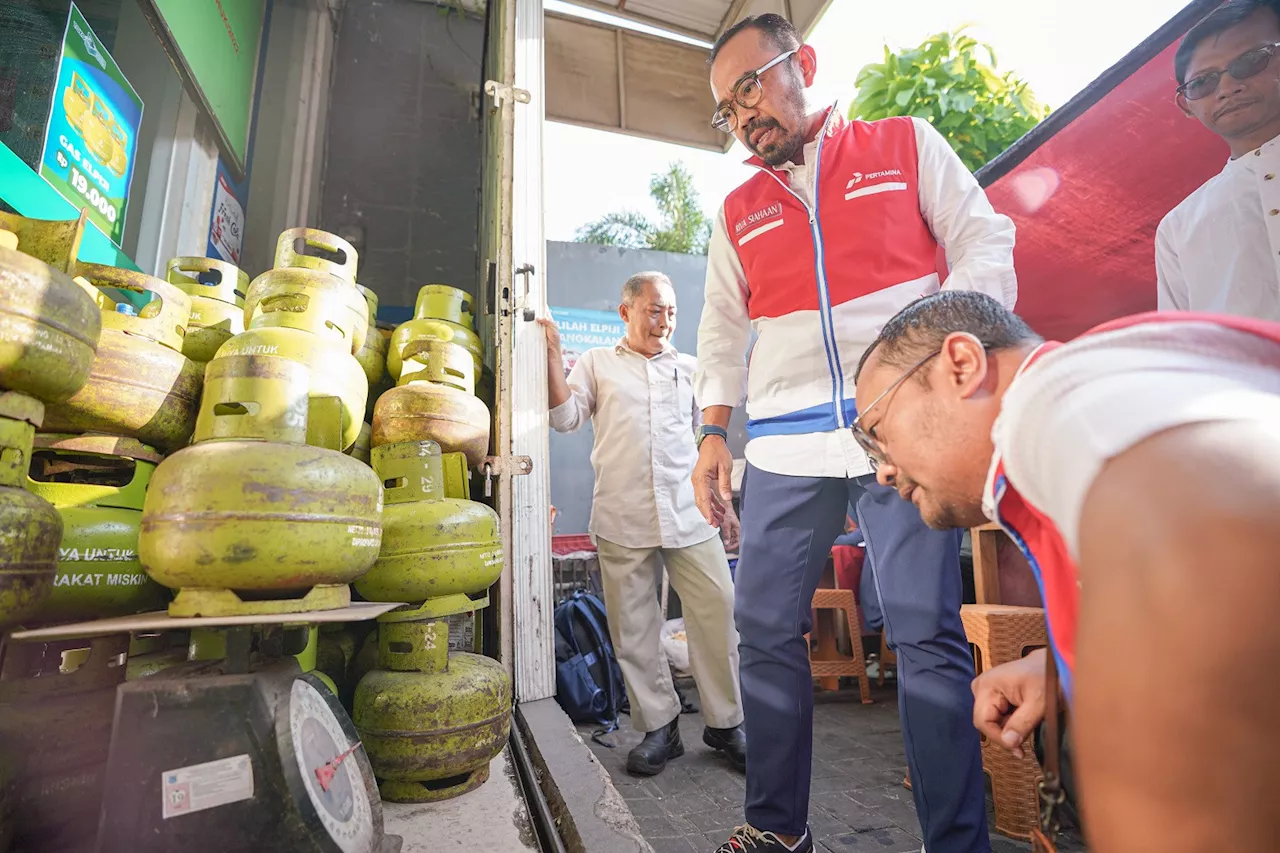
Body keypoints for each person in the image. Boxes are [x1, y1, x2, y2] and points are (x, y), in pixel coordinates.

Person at [694, 14, 1017, 853]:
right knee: (763, 628)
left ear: (801, 62)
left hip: (900, 436)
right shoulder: (737, 209)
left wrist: (944, 357)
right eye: (728, 110)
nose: (743, 116)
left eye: (750, 88)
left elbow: (984, 239)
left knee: (925, 633)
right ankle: (775, 828)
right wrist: (713, 432)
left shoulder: (904, 144)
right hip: (785, 448)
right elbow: (721, 331)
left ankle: (956, 842)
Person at [851, 289, 1280, 853]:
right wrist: (1075, 657)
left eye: (877, 430)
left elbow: (1215, 536)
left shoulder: (1059, 405)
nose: (881, 470)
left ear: (962, 365)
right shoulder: (1104, 384)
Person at [541, 271, 746, 778]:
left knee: (718, 607)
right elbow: (565, 418)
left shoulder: (691, 370)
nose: (664, 321)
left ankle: (725, 722)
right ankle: (661, 727)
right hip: (622, 511)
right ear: (626, 311)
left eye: (671, 311)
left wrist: (729, 503)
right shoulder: (596, 364)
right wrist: (552, 356)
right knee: (634, 627)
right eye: (654, 310)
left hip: (690, 510)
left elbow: (712, 444)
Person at [1158, 0, 1280, 318]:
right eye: (1203, 82)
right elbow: (1185, 350)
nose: (1226, 88)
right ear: (1186, 105)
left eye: (1251, 61)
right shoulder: (1177, 228)